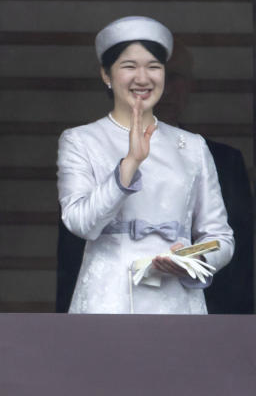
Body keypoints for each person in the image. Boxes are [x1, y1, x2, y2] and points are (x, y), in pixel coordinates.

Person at [57, 41, 254, 314]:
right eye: (129, 66)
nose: (143, 78)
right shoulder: (81, 139)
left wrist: (190, 259)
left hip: (178, 301)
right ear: (106, 74)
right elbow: (79, 224)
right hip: (107, 298)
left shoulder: (194, 146)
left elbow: (220, 237)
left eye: (154, 68)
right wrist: (130, 164)